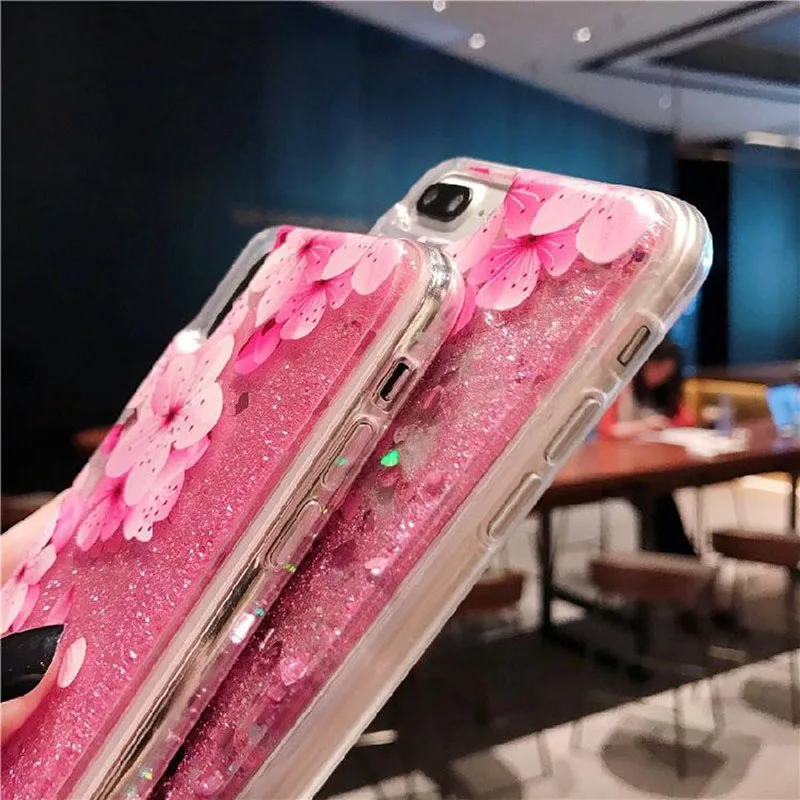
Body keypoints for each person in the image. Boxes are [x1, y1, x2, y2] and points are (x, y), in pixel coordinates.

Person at [598, 338, 698, 557]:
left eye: (667, 372)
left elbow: (687, 419)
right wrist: (646, 425)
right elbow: (608, 429)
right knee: (657, 495)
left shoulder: (665, 389)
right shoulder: (622, 387)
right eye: (657, 369)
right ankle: (678, 556)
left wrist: (666, 422)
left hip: (653, 462)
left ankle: (673, 557)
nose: (660, 376)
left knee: (660, 491)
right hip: (619, 464)